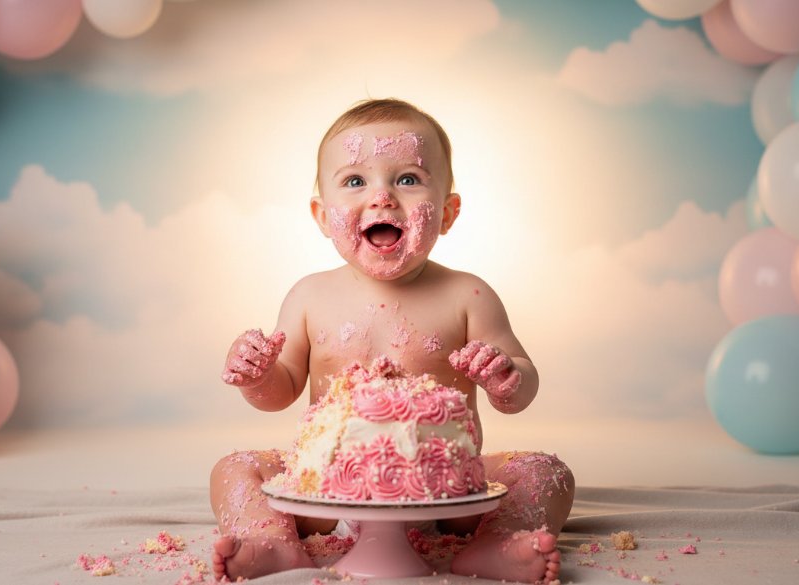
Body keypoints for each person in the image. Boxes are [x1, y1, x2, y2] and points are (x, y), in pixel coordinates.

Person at [212, 98, 574, 584]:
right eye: (356, 181)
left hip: (447, 498)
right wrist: (257, 378)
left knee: (545, 471)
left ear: (448, 212)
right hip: (323, 494)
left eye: (407, 179)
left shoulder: (467, 295)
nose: (382, 197)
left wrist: (506, 376)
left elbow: (522, 388)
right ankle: (271, 541)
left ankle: (495, 545)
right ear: (322, 215)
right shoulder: (309, 296)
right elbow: (282, 392)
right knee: (233, 468)